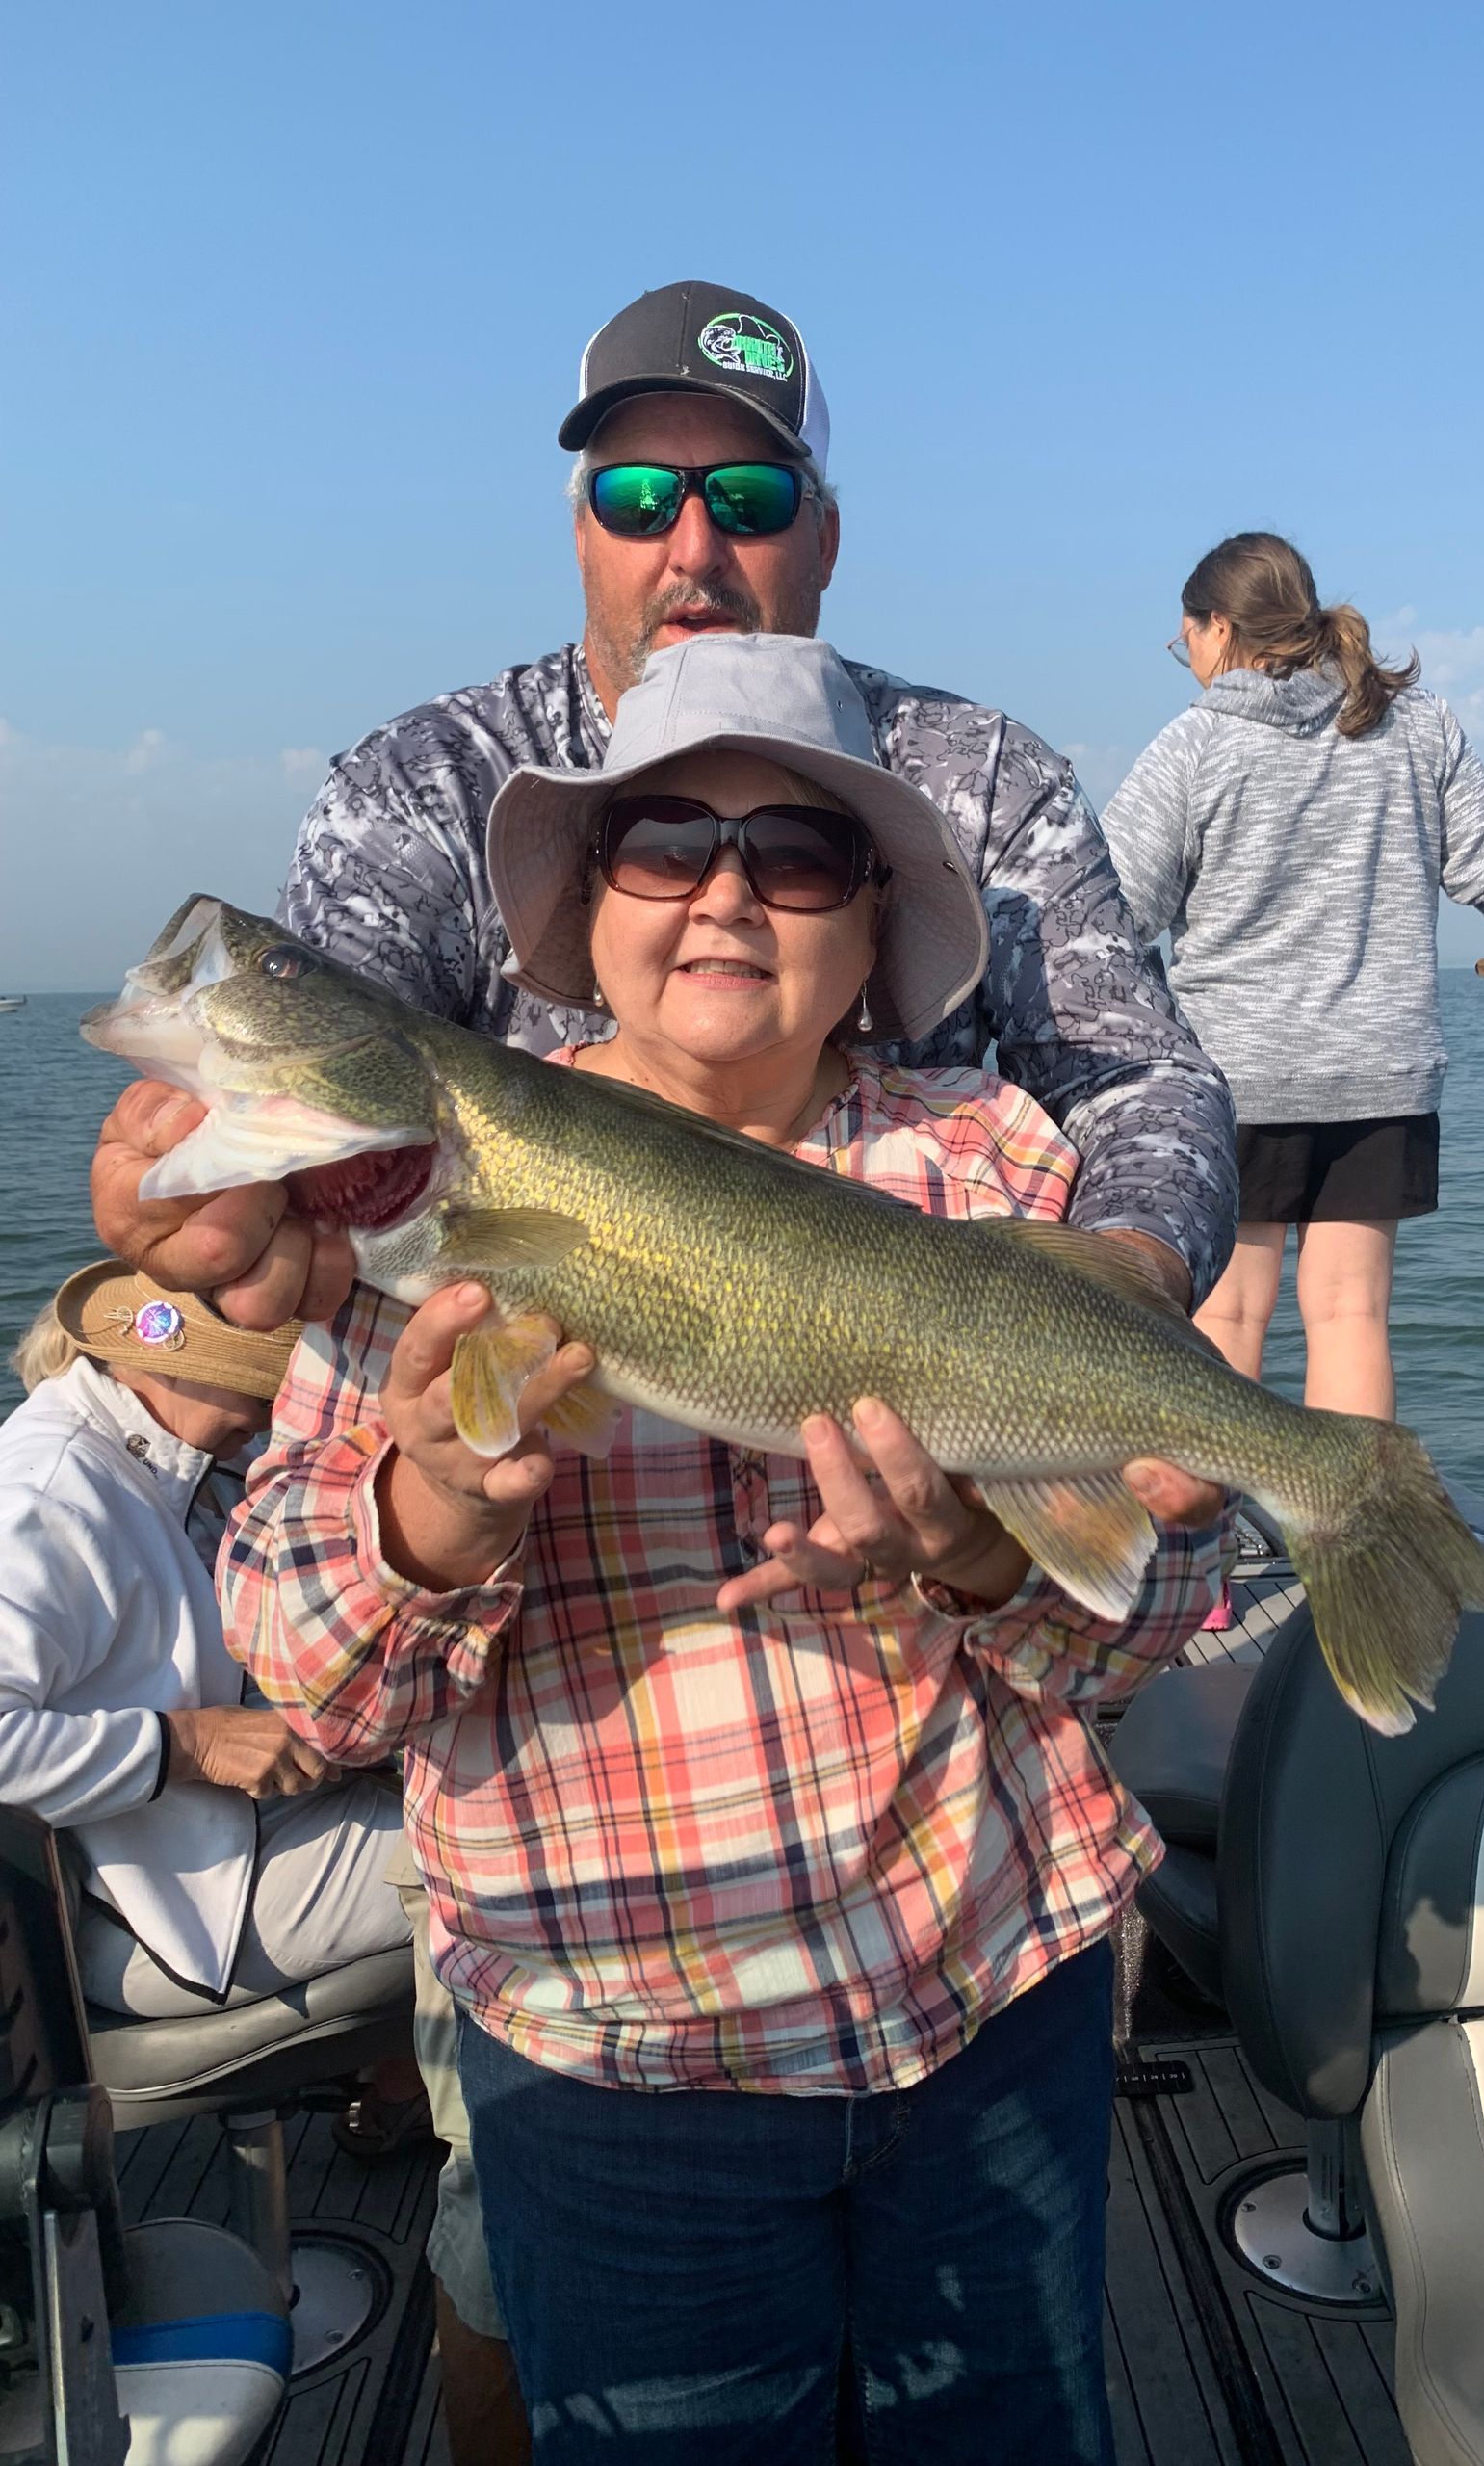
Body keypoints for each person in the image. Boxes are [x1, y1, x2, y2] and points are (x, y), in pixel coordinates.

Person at [222, 635, 1220, 2466]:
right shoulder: (418, 1190)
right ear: (588, 904)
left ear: (874, 923)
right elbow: (313, 1684)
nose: (727, 894)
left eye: (801, 856)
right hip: (619, 2066)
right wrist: (440, 1507)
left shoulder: (992, 1161)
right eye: (665, 842)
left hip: (993, 1998)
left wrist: (979, 1559)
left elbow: (1153, 1622)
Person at [91, 277, 1237, 1343]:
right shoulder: (421, 783)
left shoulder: (985, 776)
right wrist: (233, 1190)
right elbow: (346, 1061)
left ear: (827, 540)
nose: (695, 548)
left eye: (751, 498)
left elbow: (1136, 1079)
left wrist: (1113, 1329)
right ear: (581, 535)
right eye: (637, 498)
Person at [1103, 531, 1484, 1420]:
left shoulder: (1196, 745)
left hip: (1236, 1079)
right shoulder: (1414, 725)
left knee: (1228, 1313)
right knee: (1352, 1314)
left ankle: (1215, 1508)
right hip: (1380, 1074)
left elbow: (1113, 909)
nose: (1187, 658)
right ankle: (1352, 1510)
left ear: (1220, 627)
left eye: (1184, 638)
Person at [0, 1263, 409, 2017]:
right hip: (171, 1905)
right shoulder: (47, 1498)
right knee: (503, 1857)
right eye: (264, 1391)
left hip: (233, 1840)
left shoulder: (179, 1460)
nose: (274, 1417)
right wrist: (193, 1744)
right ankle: (435, 2084)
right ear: (172, 1362)